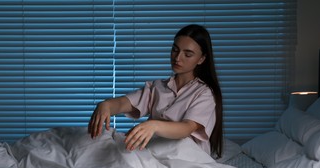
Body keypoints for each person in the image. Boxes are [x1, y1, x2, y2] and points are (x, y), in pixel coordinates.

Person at [88, 24, 223, 158]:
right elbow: (123, 103)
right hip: (155, 153)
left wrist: (154, 126)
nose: (177, 58)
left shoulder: (204, 93)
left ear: (201, 59)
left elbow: (187, 128)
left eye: (187, 54)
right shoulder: (157, 87)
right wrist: (106, 105)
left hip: (185, 158)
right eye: (175, 50)